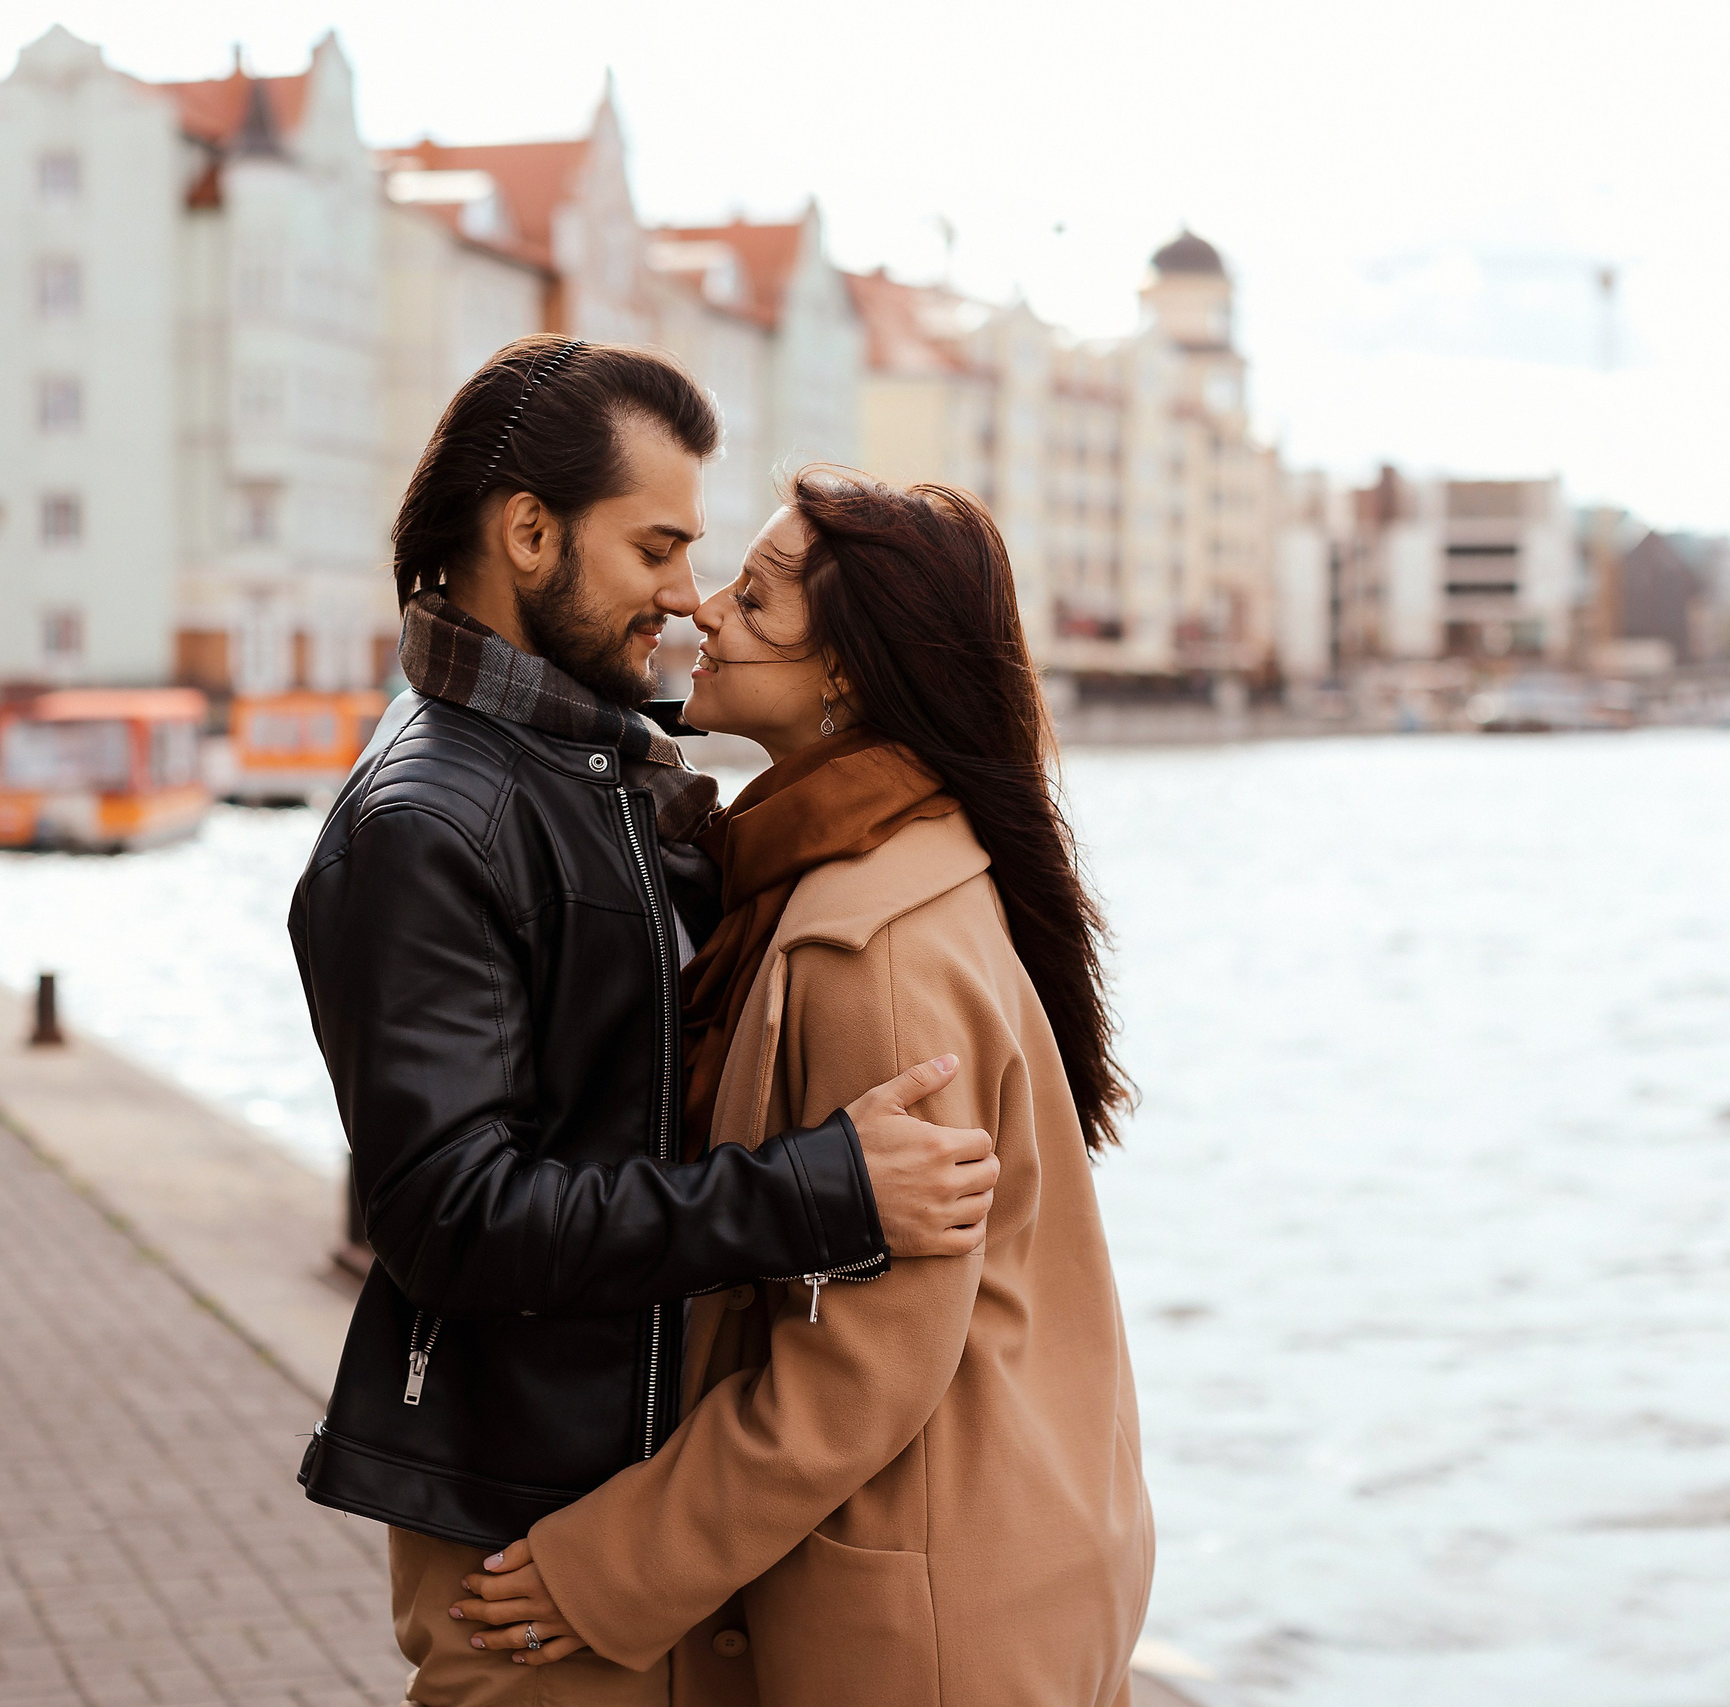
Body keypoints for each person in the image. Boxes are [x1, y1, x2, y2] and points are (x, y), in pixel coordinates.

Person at [290, 340, 1004, 1706]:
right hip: (529, 1532)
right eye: (658, 548)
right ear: (529, 534)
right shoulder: (432, 819)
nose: (686, 594)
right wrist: (819, 1192)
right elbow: (451, 1217)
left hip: (625, 1503)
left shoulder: (587, 760)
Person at [449, 469, 1155, 1705]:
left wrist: (603, 1570)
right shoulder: (866, 859)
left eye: (758, 597)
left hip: (925, 1612)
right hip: (984, 1539)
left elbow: (863, 1365)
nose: (705, 608)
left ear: (849, 673)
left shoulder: (865, 946)